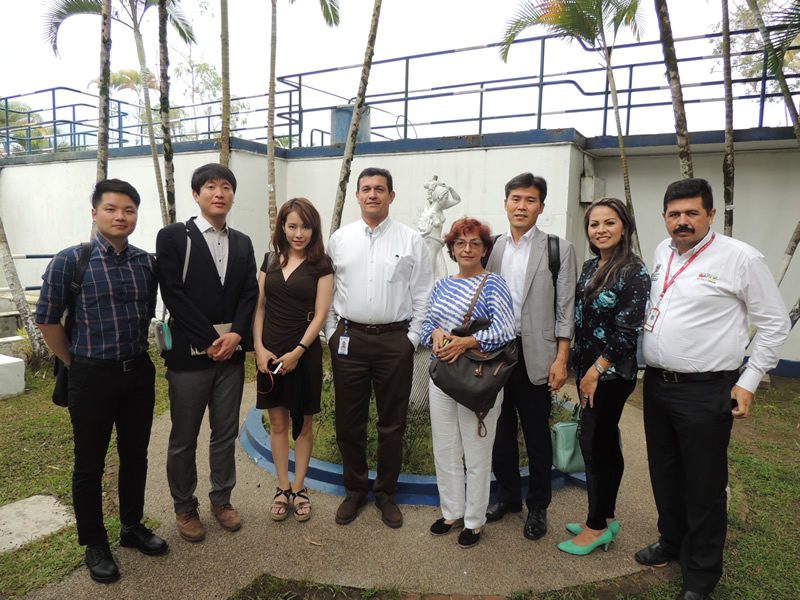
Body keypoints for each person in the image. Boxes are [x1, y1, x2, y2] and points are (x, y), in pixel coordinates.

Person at [638, 178, 790, 600]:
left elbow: (775, 323)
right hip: (657, 385)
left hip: (706, 390)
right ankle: (671, 541)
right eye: (674, 214)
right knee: (664, 473)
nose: (682, 221)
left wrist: (748, 381)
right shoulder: (662, 252)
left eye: (692, 213)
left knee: (704, 485)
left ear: (710, 214)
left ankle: (702, 574)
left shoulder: (741, 258)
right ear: (664, 217)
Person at [36, 179, 165, 584]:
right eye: (111, 209)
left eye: (128, 210)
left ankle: (131, 526)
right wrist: (73, 362)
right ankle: (94, 542)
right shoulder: (71, 261)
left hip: (137, 373)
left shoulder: (147, 263)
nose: (120, 216)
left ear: (136, 215)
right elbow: (47, 319)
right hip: (91, 375)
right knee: (89, 464)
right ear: (95, 213)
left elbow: (146, 312)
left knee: (136, 455)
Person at [325, 166, 434, 528]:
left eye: (380, 189)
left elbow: (423, 294)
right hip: (349, 340)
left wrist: (411, 340)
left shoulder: (411, 241)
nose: (372, 194)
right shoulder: (340, 239)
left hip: (394, 342)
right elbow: (328, 291)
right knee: (348, 422)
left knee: (392, 423)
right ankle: (355, 490)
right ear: (357, 195)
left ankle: (386, 493)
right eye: (366, 189)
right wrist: (331, 332)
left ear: (391, 195)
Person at [157, 163, 258, 543]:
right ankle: (185, 507)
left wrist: (236, 335)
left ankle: (222, 499)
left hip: (230, 356)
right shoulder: (173, 237)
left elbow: (249, 293)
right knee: (184, 436)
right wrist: (209, 339)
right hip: (188, 357)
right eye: (211, 187)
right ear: (196, 194)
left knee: (224, 433)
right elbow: (173, 292)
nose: (219, 193)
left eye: (226, 187)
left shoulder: (243, 242)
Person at [484, 172, 577, 540]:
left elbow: (565, 309)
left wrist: (561, 358)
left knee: (536, 435)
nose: (522, 206)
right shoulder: (492, 246)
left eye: (530, 200)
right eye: (516, 199)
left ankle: (538, 505)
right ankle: (508, 496)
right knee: (499, 431)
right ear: (506, 203)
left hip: (536, 354)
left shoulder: (558, 249)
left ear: (541, 206)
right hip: (495, 353)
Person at [557, 198, 650, 556]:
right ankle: (606, 517)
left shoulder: (634, 271)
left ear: (624, 227)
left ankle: (595, 528)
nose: (601, 230)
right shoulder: (590, 266)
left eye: (609, 222)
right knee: (606, 441)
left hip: (610, 375)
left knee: (593, 442)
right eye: (594, 224)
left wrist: (595, 371)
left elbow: (627, 332)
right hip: (589, 370)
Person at [421, 217, 515, 548]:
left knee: (476, 453)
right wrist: (434, 333)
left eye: (475, 243)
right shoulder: (442, 285)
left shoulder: (493, 284)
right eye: (460, 243)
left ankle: (474, 521)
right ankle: (451, 512)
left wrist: (466, 342)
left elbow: (506, 330)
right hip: (442, 377)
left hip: (477, 378)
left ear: (485, 249)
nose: (467, 249)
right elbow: (427, 324)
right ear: (451, 249)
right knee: (445, 449)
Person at [253, 197, 334, 522]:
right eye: (292, 226)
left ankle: (300, 487)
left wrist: (298, 352)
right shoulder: (270, 260)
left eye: (305, 227)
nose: (299, 233)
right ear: (282, 228)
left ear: (314, 230)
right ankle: (282, 486)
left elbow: (321, 314)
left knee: (304, 424)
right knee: (278, 424)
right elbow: (259, 307)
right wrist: (259, 348)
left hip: (304, 353)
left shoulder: (321, 264)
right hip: (270, 354)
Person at [416, 176, 462, 279]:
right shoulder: (429, 214)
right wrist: (427, 232)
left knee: (443, 274)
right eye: (445, 198)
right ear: (438, 198)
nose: (446, 200)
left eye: (447, 198)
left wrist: (450, 189)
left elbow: (457, 200)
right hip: (431, 244)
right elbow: (421, 232)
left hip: (438, 245)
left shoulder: (441, 207)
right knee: (429, 272)